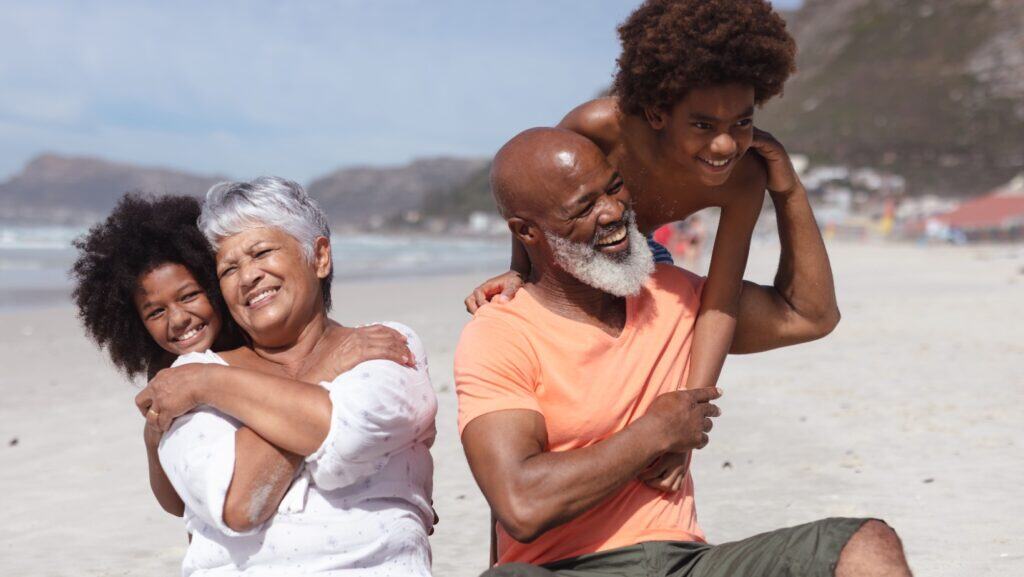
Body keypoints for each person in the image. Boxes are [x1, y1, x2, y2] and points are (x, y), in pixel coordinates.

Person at [455, 128, 912, 576]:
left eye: (614, 188)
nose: (614, 212)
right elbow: (521, 503)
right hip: (560, 569)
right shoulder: (501, 333)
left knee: (865, 542)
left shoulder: (674, 295)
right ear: (527, 233)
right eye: (584, 207)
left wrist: (786, 189)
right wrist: (654, 432)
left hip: (683, 563)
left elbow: (810, 314)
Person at [465, 0, 818, 487]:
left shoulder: (743, 176)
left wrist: (688, 425)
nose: (724, 146)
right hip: (592, 256)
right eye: (702, 126)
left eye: (742, 122)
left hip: (647, 260)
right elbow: (543, 196)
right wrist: (521, 272)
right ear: (656, 112)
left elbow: (721, 299)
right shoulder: (597, 125)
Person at [133, 177, 437, 576]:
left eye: (261, 252)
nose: (248, 277)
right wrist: (325, 374)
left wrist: (209, 388)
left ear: (320, 256)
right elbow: (240, 504)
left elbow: (349, 441)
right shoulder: (186, 376)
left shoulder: (387, 344)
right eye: (228, 269)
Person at [70, 193, 414, 521]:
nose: (178, 319)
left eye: (190, 296)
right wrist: (152, 442)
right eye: (156, 312)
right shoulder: (171, 374)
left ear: (214, 286)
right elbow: (177, 504)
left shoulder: (257, 338)